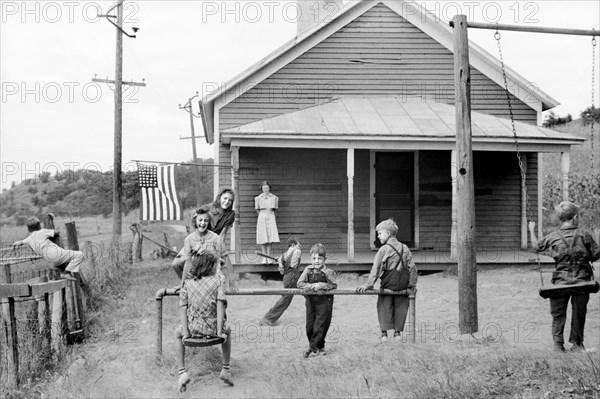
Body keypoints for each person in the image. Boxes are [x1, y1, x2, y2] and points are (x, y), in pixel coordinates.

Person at [528, 201, 599, 352]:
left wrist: (531, 229)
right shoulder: (584, 234)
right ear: (575, 218)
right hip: (582, 281)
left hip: (560, 281)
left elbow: (536, 247)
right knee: (579, 313)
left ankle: (558, 345)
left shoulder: (553, 237)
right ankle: (577, 344)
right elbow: (596, 254)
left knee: (558, 314)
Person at [174, 250, 234, 392]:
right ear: (210, 266)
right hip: (213, 329)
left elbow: (182, 308)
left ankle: (182, 372)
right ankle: (225, 368)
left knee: (177, 334)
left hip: (193, 329)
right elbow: (220, 306)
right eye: (214, 264)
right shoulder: (218, 280)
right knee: (229, 329)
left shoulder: (187, 283)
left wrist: (186, 333)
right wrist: (219, 331)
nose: (216, 267)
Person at [357, 219, 418, 342]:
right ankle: (397, 333)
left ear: (388, 234)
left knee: (384, 304)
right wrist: (411, 285)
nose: (378, 236)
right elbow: (413, 268)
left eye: (380, 233)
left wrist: (369, 285)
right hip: (402, 284)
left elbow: (376, 269)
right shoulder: (405, 248)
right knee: (401, 305)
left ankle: (384, 333)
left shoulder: (384, 249)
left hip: (388, 283)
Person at [179, 209, 237, 292]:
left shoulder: (216, 238)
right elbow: (188, 262)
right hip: (197, 277)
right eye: (200, 220)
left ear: (209, 222)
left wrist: (232, 282)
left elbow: (226, 258)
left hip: (213, 277)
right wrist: (182, 283)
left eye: (205, 220)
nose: (202, 223)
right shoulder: (189, 239)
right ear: (195, 221)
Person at [297, 243, 337, 357]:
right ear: (310, 258)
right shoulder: (308, 270)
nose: (317, 261)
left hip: (324, 302)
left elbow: (333, 285)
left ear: (325, 259)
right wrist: (310, 286)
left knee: (320, 326)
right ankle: (316, 346)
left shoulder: (328, 272)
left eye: (320, 258)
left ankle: (314, 348)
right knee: (310, 327)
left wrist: (321, 285)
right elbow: (299, 283)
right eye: (314, 258)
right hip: (310, 302)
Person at [12, 216, 85, 277]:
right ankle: (66, 273)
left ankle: (61, 270)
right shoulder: (42, 231)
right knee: (80, 255)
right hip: (57, 254)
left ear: (28, 229)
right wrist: (54, 219)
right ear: (39, 226)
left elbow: (20, 242)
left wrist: (15, 243)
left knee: (65, 257)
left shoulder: (29, 238)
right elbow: (57, 232)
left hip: (49, 260)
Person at [259, 238, 302, 326]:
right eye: (299, 245)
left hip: (288, 278)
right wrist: (282, 260)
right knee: (285, 300)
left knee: (308, 292)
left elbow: (281, 271)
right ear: (293, 245)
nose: (300, 248)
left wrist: (280, 261)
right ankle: (267, 319)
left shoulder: (283, 255)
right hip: (292, 277)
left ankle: (319, 311)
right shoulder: (297, 251)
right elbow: (293, 265)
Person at [254, 181, 280, 263]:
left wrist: (270, 215)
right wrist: (263, 215)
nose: (265, 189)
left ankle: (269, 257)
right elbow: (257, 210)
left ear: (269, 188)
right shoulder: (258, 198)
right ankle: (264, 257)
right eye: (264, 188)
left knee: (270, 237)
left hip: (271, 216)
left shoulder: (274, 198)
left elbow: (275, 209)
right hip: (262, 217)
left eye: (267, 188)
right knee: (262, 237)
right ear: (262, 189)